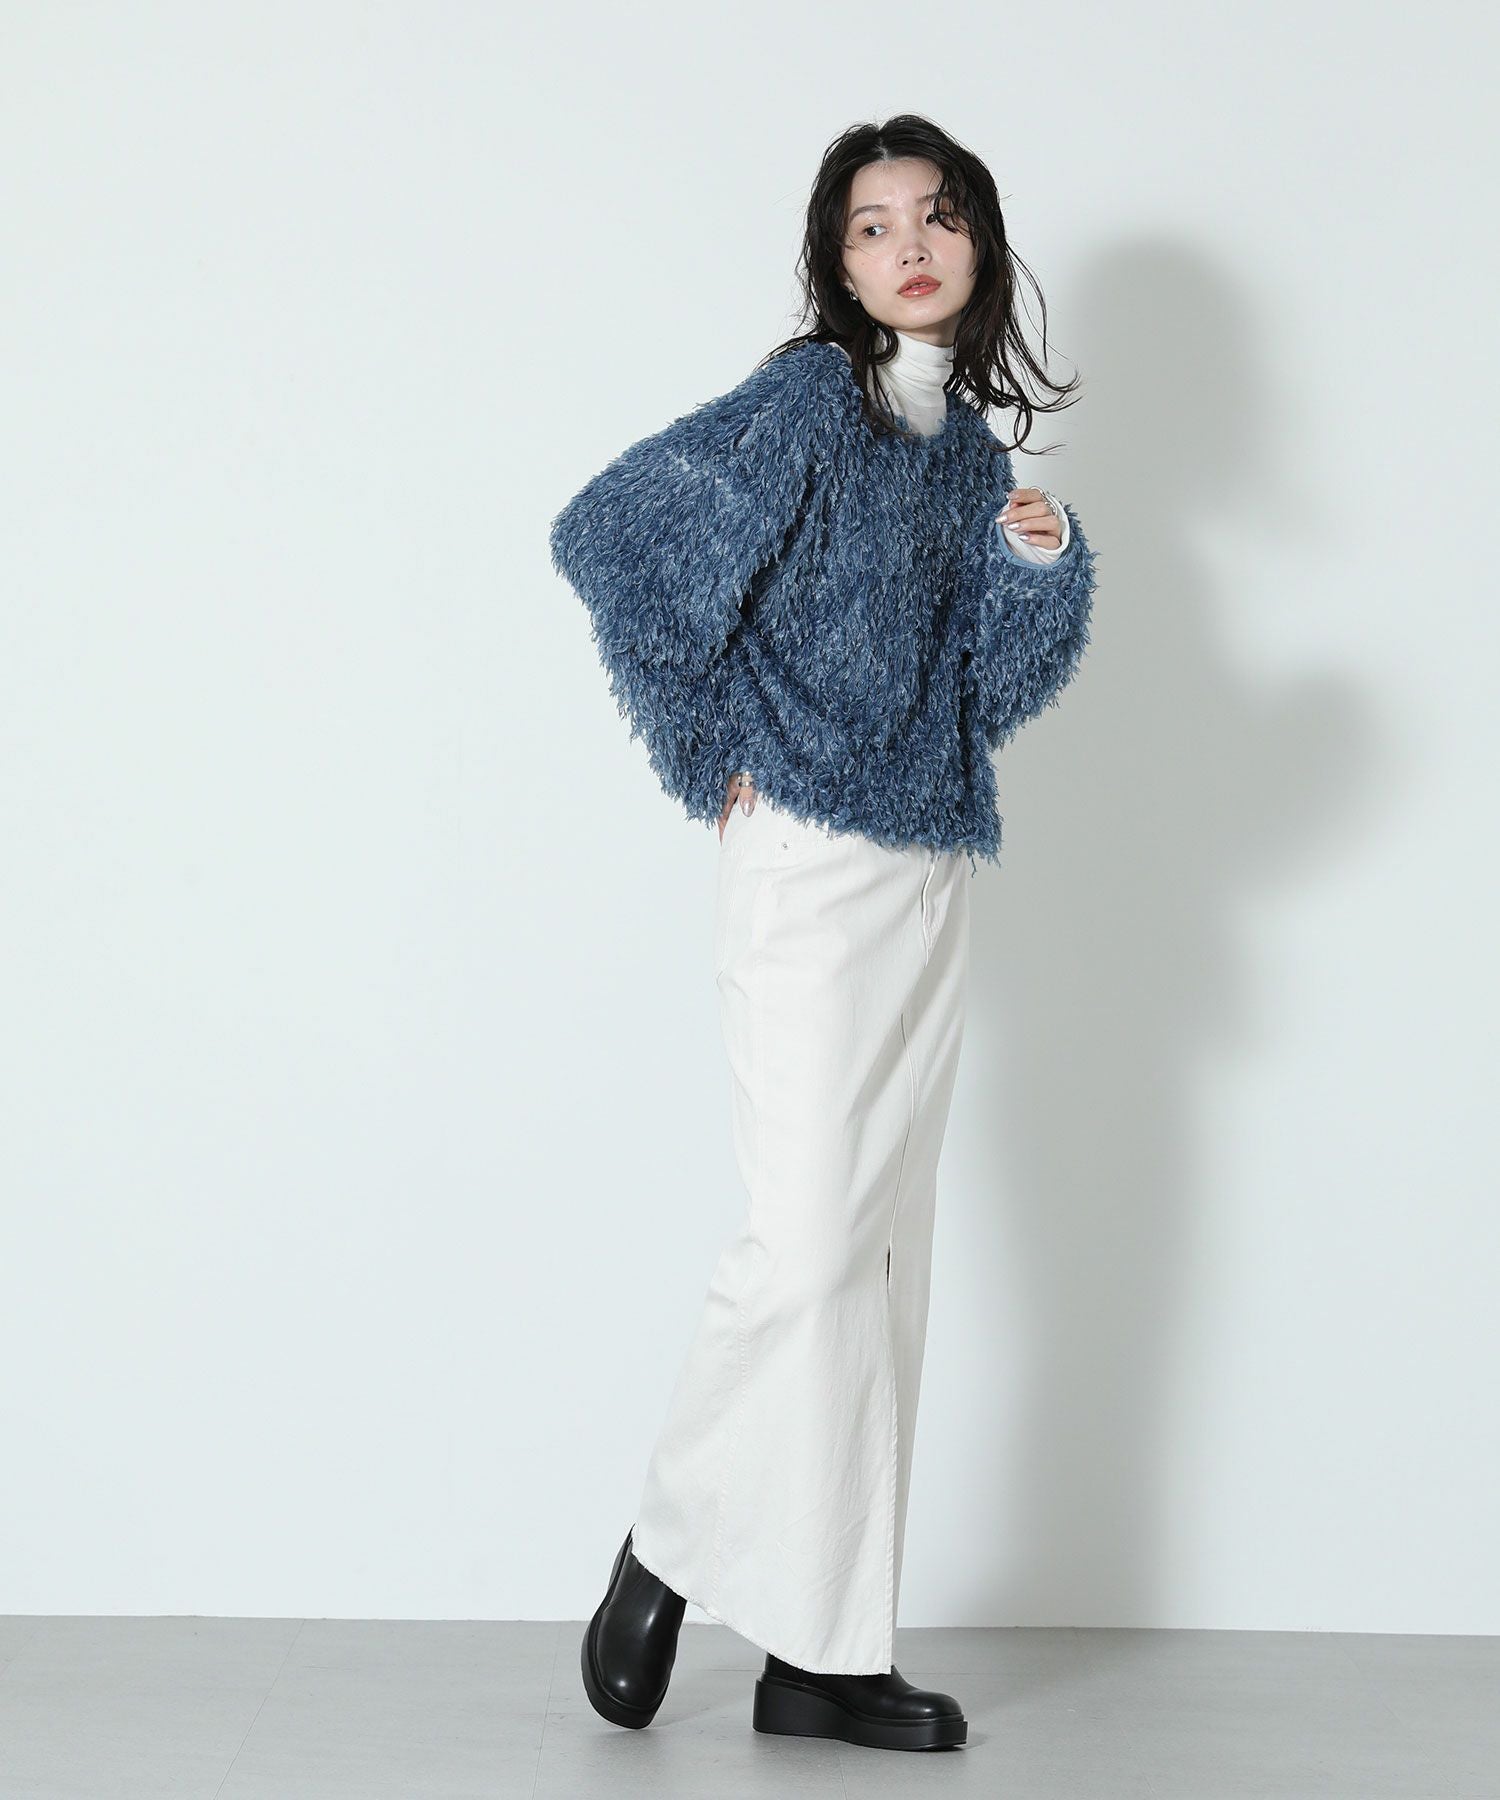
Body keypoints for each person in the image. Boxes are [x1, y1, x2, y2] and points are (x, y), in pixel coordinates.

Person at [547, 112, 1099, 1754]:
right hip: (803, 863)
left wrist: (1042, 573)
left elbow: (989, 693)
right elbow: (613, 533)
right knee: (803, 1247)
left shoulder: (974, 461)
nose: (907, 246)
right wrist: (702, 738)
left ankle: (826, 1652)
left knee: (877, 1265)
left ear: (978, 244)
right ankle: (669, 1539)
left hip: (929, 875)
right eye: (871, 226)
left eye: (936, 217)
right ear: (837, 263)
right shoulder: (807, 401)